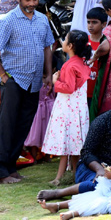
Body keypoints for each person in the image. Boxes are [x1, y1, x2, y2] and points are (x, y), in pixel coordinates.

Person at [0, 0, 54, 184]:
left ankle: (12, 167)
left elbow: (47, 47)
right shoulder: (8, 21)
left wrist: (49, 74)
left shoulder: (42, 19)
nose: (32, 3)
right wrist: (3, 76)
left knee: (23, 126)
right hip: (14, 81)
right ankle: (1, 172)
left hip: (34, 82)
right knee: (7, 126)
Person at [37, 83, 111, 204]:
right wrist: (99, 170)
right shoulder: (102, 122)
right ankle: (58, 193)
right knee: (100, 185)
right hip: (92, 167)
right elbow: (86, 152)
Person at [42, 31, 93, 186]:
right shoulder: (82, 63)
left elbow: (69, 87)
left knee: (67, 143)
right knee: (75, 143)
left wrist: (55, 81)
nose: (62, 41)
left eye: (65, 40)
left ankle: (59, 177)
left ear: (70, 46)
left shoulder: (69, 65)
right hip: (78, 108)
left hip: (68, 108)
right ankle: (75, 174)